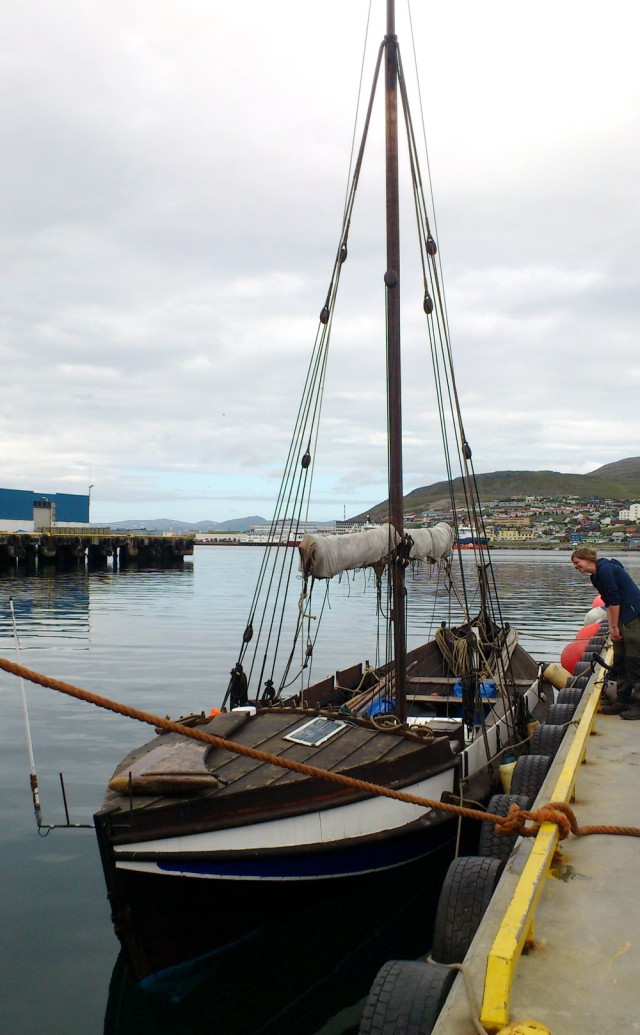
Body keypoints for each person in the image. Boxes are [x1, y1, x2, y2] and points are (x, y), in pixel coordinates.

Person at [571, 546, 640, 718]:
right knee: (620, 659)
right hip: (621, 618)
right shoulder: (595, 577)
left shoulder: (606, 570)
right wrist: (612, 627)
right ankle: (622, 700)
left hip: (633, 616)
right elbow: (608, 603)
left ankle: (638, 704)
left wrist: (615, 626)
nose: (575, 566)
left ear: (587, 559)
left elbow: (615, 599)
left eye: (577, 562)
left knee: (635, 660)